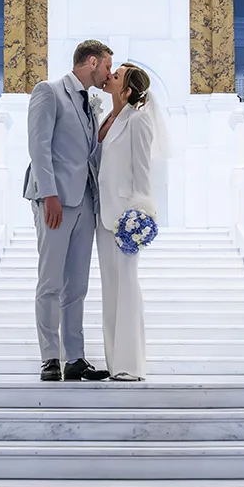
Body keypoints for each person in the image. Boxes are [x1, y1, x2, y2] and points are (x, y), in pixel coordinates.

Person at [24, 39, 113, 382]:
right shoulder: (48, 91)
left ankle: (74, 357)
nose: (108, 74)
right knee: (50, 281)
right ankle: (49, 358)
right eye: (106, 66)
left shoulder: (91, 103)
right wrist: (49, 195)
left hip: (86, 202)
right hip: (55, 201)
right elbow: (39, 145)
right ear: (92, 62)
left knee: (77, 286)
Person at [96, 62, 160, 381]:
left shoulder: (138, 121)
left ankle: (130, 365)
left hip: (125, 219)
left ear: (127, 90)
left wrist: (139, 214)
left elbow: (143, 173)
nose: (110, 76)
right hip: (102, 216)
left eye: (116, 75)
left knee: (127, 288)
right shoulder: (106, 118)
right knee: (111, 289)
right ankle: (113, 362)